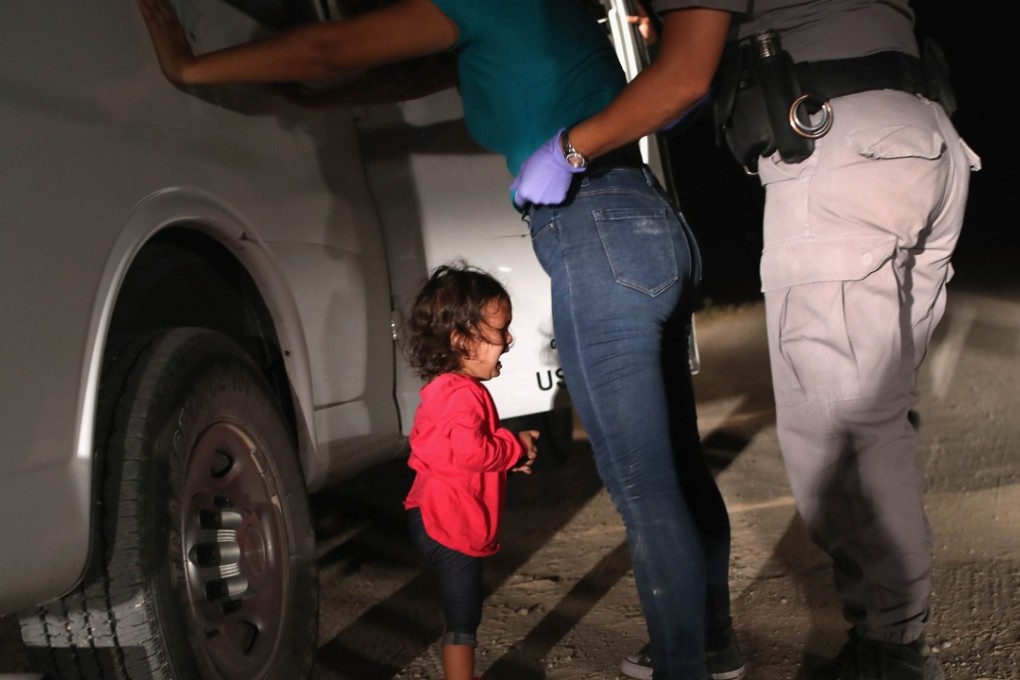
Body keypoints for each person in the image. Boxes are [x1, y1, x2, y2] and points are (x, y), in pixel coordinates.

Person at [137, 1, 743, 678]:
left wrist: (192, 66)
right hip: (644, 223)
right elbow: (397, 76)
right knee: (678, 473)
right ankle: (711, 648)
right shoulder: (532, 16)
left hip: (594, 228)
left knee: (643, 484)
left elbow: (330, 48)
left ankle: (682, 665)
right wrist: (310, 95)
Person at [512, 2, 981, 680]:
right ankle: (892, 640)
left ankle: (890, 656)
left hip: (841, 153)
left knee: (836, 434)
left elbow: (682, 78)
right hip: (924, 141)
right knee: (877, 419)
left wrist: (569, 149)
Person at [401, 263, 538, 680]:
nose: (509, 339)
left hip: (431, 513)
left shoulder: (447, 390)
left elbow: (456, 459)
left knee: (459, 612)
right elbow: (470, 451)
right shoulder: (462, 395)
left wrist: (507, 465)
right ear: (463, 341)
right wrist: (515, 447)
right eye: (501, 330)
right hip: (448, 523)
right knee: (464, 620)